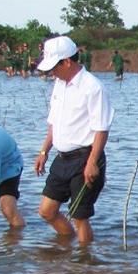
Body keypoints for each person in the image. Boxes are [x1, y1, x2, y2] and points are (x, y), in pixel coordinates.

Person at [33, 35, 115, 245]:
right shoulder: (59, 85)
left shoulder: (92, 87)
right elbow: (53, 123)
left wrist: (92, 163)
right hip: (62, 158)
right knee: (46, 211)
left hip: (85, 157)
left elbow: (101, 129)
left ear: (67, 61)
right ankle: (67, 249)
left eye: (54, 67)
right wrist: (44, 152)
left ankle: (83, 264)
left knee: (79, 217)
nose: (52, 72)